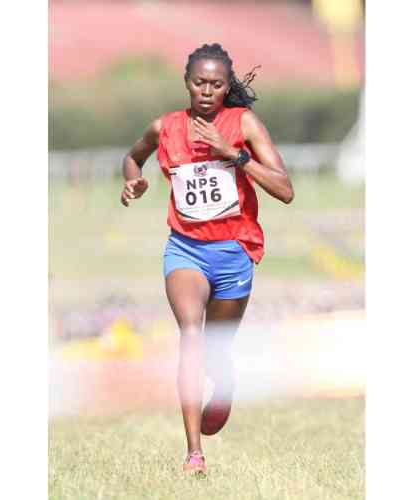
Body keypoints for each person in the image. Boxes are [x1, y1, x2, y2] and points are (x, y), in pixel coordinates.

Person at [119, 43, 294, 475]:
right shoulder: (166, 126)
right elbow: (131, 158)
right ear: (187, 83)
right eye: (200, 83)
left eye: (217, 84)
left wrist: (232, 154)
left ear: (225, 86)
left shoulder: (244, 123)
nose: (207, 91)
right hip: (185, 249)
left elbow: (285, 189)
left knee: (216, 348)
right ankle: (194, 454)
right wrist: (133, 182)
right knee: (192, 340)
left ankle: (224, 381)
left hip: (234, 251)